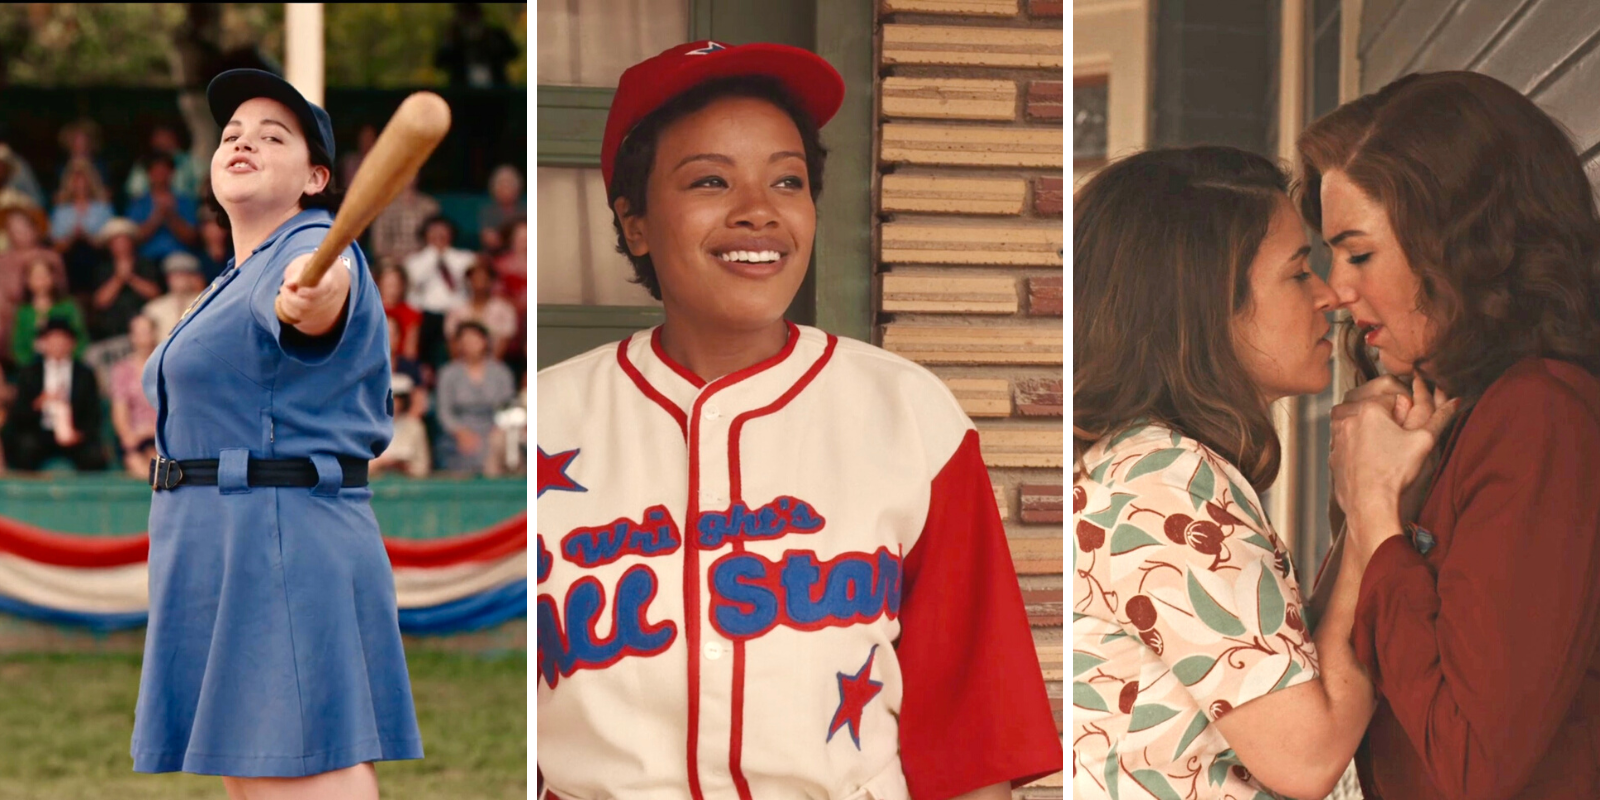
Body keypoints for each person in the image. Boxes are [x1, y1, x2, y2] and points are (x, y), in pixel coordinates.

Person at [536, 41, 1061, 799]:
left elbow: (970, 733)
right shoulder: (553, 416)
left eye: (788, 180)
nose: (759, 211)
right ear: (636, 221)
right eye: (710, 181)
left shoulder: (907, 412)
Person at [1298, 70, 1600, 799]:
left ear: (1461, 242)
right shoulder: (1452, 417)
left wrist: (1373, 511)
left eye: (1359, 253)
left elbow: (1471, 763)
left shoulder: (1541, 418)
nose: (1336, 290)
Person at [130, 68, 422, 797]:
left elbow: (315, 294)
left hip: (277, 533)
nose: (243, 142)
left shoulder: (315, 245)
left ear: (315, 176)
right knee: (255, 773)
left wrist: (313, 294)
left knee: (297, 771)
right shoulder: (233, 272)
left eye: (272, 136)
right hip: (226, 535)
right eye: (232, 134)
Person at [1071, 146, 1380, 799]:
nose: (1330, 295)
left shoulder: (1138, 466)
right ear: (1205, 302)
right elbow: (1308, 757)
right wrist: (1375, 513)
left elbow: (1285, 674)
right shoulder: (1164, 480)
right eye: (1299, 273)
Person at [1, 317, 106, 472]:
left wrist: (79, 434)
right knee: (24, 449)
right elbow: (18, 413)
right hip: (39, 434)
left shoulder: (84, 374)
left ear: (72, 343)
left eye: (62, 339)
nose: (58, 344)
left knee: (94, 456)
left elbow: (93, 411)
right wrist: (38, 404)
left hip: (75, 435)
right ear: (43, 344)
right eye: (52, 339)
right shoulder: (30, 373)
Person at [434, 321, 513, 474]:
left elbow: (508, 407)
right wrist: (461, 433)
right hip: (459, 433)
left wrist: (497, 430)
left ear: (484, 342)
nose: (470, 345)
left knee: (499, 444)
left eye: (474, 340)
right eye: (465, 341)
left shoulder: (501, 372)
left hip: (493, 430)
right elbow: (444, 411)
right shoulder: (448, 373)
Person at [401, 214, 473, 365]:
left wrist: (444, 255)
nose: (439, 235)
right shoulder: (413, 261)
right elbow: (416, 281)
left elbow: (465, 284)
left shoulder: (466, 259)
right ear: (425, 234)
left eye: (443, 231)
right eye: (434, 231)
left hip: (456, 312)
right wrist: (434, 255)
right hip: (426, 313)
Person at [0, 208, 67, 358]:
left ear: (34, 229)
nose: (19, 232)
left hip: (44, 312)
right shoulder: (3, 261)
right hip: (8, 320)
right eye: (13, 228)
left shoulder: (50, 257)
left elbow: (60, 293)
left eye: (23, 226)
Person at [88, 218, 164, 342]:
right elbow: (100, 302)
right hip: (112, 332)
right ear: (109, 245)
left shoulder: (146, 264)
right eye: (116, 241)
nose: (121, 245)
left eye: (124, 240)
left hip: (144, 331)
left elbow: (155, 294)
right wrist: (119, 278)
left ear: (132, 242)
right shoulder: (103, 269)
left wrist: (131, 278)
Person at [51, 156, 115, 292]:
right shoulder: (61, 211)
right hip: (70, 261)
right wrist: (73, 238)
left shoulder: (103, 208)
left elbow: (110, 241)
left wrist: (88, 238)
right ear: (69, 183)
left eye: (83, 179)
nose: (80, 184)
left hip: (98, 259)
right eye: (76, 180)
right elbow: (56, 245)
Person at [11, 258, 88, 368]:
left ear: (53, 278)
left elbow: (82, 340)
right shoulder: (23, 313)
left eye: (45, 275)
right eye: (36, 276)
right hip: (35, 371)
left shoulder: (68, 307)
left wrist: (67, 359)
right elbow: (19, 349)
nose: (41, 280)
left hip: (69, 367)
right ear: (27, 280)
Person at [109, 314, 160, 477]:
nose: (143, 338)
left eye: (146, 332)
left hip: (162, 435)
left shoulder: (166, 367)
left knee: (157, 459)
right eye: (138, 333)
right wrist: (130, 436)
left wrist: (152, 431)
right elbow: (120, 411)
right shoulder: (122, 370)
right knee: (137, 461)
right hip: (135, 437)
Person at [126, 154, 199, 264]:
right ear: (148, 174)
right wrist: (157, 217)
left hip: (179, 259)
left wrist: (170, 216)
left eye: (164, 171)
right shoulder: (138, 203)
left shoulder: (185, 201)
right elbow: (134, 238)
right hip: (146, 260)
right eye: (156, 171)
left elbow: (191, 237)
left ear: (172, 173)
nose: (160, 175)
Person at [443, 259, 517, 361]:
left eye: (483, 278)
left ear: (491, 281)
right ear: (469, 281)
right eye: (475, 278)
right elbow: (452, 343)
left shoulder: (504, 310)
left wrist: (485, 370)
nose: (479, 283)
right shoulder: (456, 310)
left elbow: (503, 345)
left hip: (493, 367)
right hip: (462, 366)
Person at [433, 2, 518, 89]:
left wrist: (492, 43)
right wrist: (450, 41)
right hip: (463, 90)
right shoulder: (454, 37)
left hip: (495, 89)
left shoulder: (495, 34)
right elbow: (440, 62)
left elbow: (513, 53)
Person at [367, 177, 440, 270]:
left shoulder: (429, 205)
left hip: (423, 259)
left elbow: (436, 237)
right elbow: (379, 243)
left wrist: (420, 258)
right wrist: (394, 259)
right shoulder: (384, 206)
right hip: (393, 260)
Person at [368, 372, 430, 479]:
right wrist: (381, 464)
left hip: (407, 487)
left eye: (398, 398)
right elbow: (358, 469)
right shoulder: (367, 427)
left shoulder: (415, 427)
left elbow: (423, 467)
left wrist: (406, 468)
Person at [139, 252, 207, 342]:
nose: (180, 280)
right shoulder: (153, 308)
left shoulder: (205, 302)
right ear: (168, 278)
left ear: (193, 277)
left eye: (184, 274)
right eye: (175, 275)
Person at [124, 124, 203, 201]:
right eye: (159, 138)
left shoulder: (189, 163)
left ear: (175, 140)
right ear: (152, 142)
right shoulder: (142, 165)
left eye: (167, 138)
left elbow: (202, 187)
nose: (164, 142)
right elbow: (134, 192)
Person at [378, 266, 422, 364]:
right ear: (380, 284)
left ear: (402, 286)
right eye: (388, 284)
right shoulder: (370, 310)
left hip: (400, 363)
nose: (392, 289)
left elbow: (410, 351)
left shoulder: (412, 314)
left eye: (395, 285)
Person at [477, 164, 524, 252]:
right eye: (501, 186)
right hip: (496, 254)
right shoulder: (487, 211)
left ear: (517, 189)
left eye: (509, 186)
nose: (505, 190)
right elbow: (488, 239)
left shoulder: (525, 210)